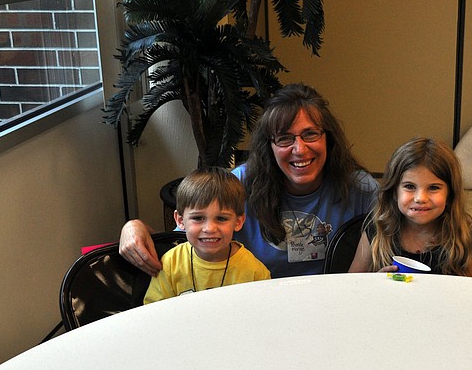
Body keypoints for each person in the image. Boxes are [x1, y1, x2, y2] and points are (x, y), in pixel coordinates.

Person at [120, 83, 379, 278]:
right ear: (270, 146)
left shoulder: (360, 188)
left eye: (310, 134)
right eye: (285, 138)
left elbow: (404, 240)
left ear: (328, 138)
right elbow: (183, 242)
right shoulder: (238, 184)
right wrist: (134, 227)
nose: (299, 149)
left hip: (332, 310)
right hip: (253, 309)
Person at [348, 137, 472, 277]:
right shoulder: (377, 232)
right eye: (409, 186)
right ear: (394, 191)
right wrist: (376, 283)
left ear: (450, 194)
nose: (420, 198)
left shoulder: (460, 239)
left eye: (433, 188)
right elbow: (352, 287)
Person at [144, 167, 270, 304]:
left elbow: (261, 315)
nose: (209, 228)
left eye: (221, 219)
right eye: (198, 218)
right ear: (180, 220)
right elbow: (154, 312)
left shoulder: (255, 272)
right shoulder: (170, 263)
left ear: (238, 222)